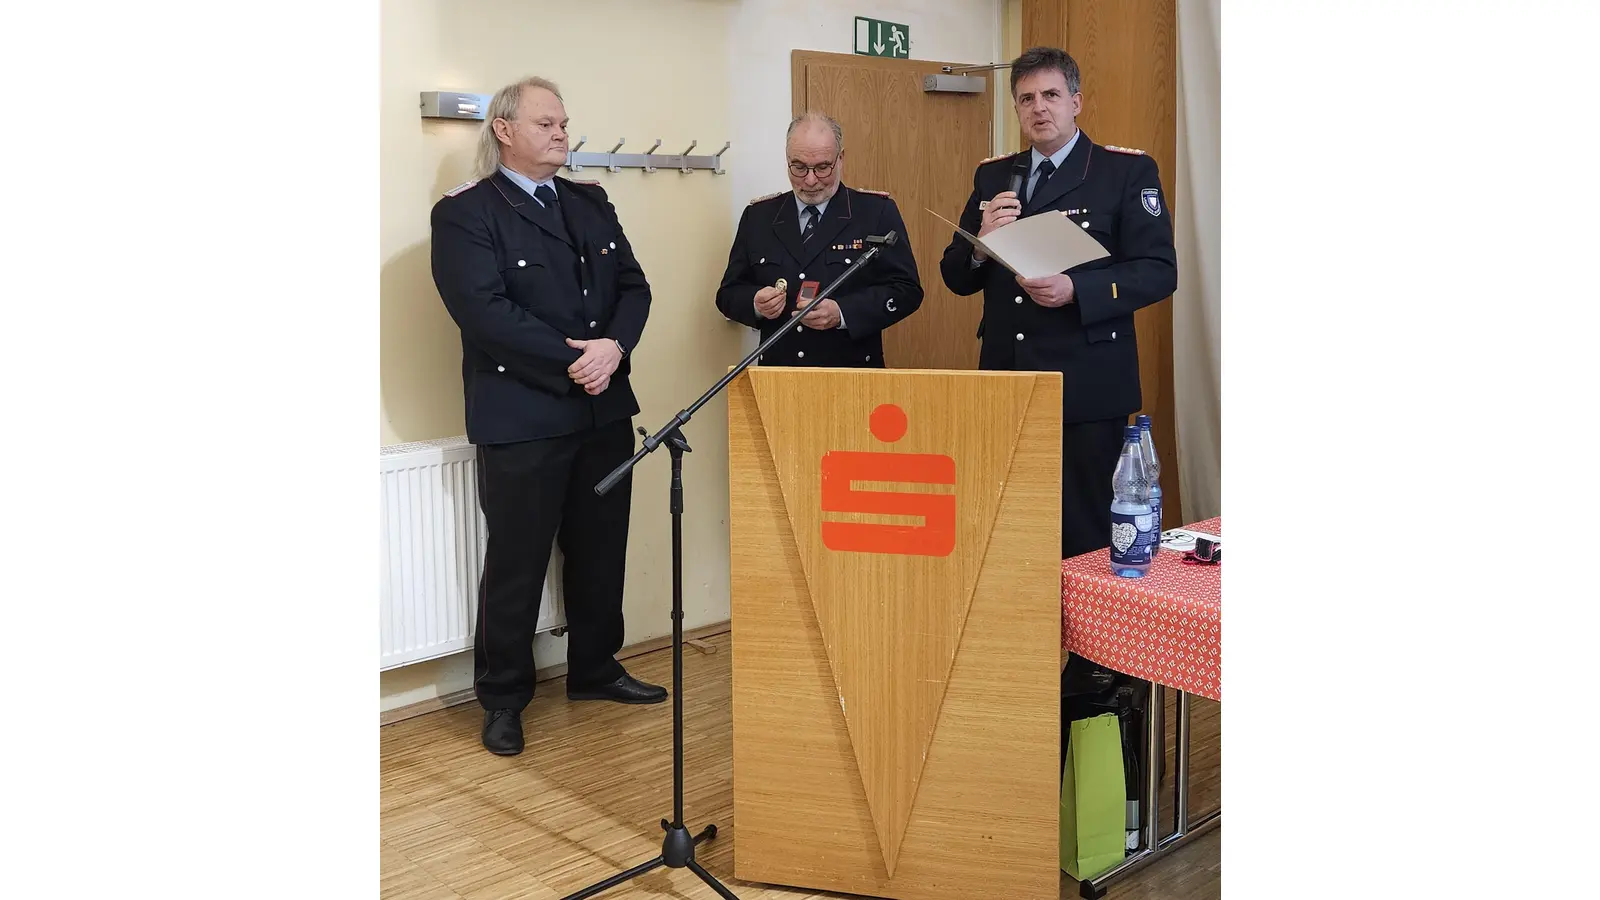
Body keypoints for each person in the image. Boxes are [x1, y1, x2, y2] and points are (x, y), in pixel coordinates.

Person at [430, 75, 667, 757]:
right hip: (524, 412)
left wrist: (615, 348)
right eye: (545, 124)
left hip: (601, 408)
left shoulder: (590, 202)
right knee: (518, 561)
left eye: (564, 123)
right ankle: (504, 697)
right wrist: (577, 358)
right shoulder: (468, 212)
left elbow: (632, 286)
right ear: (504, 130)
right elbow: (484, 311)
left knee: (600, 551)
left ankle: (595, 668)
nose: (561, 133)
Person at [939, 47, 1178, 560]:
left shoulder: (1123, 173)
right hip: (1010, 378)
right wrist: (981, 242)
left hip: (1087, 383)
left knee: (1088, 534)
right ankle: (1022, 640)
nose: (1038, 108)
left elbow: (1159, 272)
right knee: (1012, 528)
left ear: (1076, 102)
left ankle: (1088, 644)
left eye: (1050, 95)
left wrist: (1079, 290)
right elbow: (956, 277)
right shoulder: (994, 177)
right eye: (1026, 98)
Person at [715, 112, 923, 367]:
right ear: (787, 161)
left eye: (823, 167)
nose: (811, 180)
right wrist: (755, 303)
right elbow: (728, 294)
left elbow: (906, 291)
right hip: (779, 377)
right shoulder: (759, 217)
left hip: (851, 374)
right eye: (799, 167)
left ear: (841, 159)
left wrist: (842, 313)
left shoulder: (875, 212)